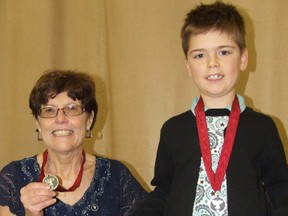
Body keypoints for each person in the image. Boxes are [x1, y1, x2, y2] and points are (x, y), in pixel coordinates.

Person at [133, 1, 288, 216]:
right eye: (199, 55)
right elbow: (164, 190)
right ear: (188, 65)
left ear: (243, 58)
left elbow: (280, 188)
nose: (212, 63)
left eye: (224, 52)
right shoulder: (173, 129)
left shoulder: (262, 128)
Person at [0, 70, 147, 216]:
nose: (61, 119)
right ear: (38, 123)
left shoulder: (117, 176)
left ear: (89, 119)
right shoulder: (13, 178)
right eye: (49, 110)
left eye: (72, 108)